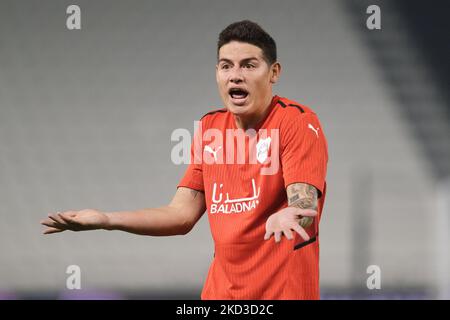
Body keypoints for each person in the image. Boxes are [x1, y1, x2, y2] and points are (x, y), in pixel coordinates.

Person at [41, 20, 328, 300]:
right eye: (226, 65)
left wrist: (292, 213)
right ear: (217, 72)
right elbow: (181, 215)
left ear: (273, 72)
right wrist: (107, 219)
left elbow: (303, 206)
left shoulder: (297, 122)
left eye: (249, 65)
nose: (235, 75)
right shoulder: (209, 129)